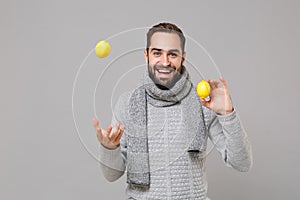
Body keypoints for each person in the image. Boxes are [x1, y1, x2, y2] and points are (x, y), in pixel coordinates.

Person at [93, 22, 252, 200]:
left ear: (182, 58)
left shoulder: (204, 104)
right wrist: (109, 148)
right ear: (146, 56)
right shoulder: (127, 103)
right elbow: (112, 175)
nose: (165, 62)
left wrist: (227, 113)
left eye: (172, 54)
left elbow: (242, 163)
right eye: (157, 53)